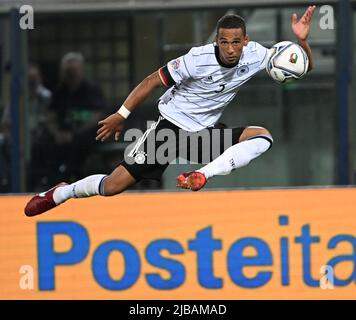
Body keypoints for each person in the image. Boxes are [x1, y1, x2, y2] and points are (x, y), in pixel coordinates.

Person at [24, 6, 316, 217]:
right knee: (113, 186)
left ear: (246, 41)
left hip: (205, 133)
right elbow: (152, 80)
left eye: (235, 42)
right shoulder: (195, 60)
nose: (230, 49)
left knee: (262, 137)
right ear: (217, 41)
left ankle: (201, 175)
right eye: (224, 42)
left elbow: (300, 68)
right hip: (171, 129)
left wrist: (302, 42)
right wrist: (121, 114)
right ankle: (61, 192)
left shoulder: (257, 55)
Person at [47, 52, 108, 182]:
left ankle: (72, 178)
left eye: (73, 71)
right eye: (68, 71)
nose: (71, 75)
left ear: (81, 70)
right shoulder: (59, 91)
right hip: (62, 135)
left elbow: (98, 115)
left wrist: (75, 134)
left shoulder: (91, 89)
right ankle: (52, 180)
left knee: (79, 144)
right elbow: (50, 116)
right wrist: (56, 133)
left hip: (87, 134)